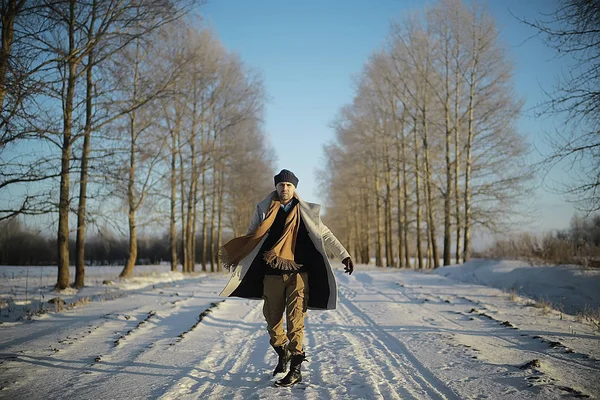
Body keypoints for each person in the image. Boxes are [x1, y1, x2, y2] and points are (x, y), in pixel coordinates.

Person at [219, 169, 354, 387]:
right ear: (276, 187)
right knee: (273, 323)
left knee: (295, 322)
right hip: (271, 274)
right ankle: (283, 352)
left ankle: (296, 368)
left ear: (295, 188)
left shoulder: (305, 211)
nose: (284, 188)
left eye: (289, 185)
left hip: (299, 275)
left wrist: (344, 255)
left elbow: (325, 234)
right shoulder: (264, 210)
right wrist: (239, 255)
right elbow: (253, 235)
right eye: (281, 185)